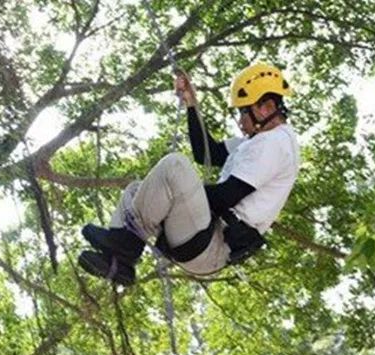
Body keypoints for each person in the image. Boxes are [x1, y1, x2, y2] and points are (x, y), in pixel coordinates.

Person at [78, 63, 301, 285]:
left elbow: (225, 197)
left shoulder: (276, 143)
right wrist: (190, 103)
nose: (241, 121)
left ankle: (125, 246)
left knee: (174, 166)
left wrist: (174, 196)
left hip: (212, 244)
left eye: (243, 112)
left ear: (267, 107)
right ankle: (118, 265)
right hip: (201, 233)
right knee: (137, 191)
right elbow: (207, 153)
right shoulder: (255, 142)